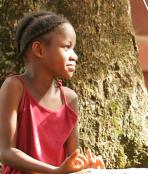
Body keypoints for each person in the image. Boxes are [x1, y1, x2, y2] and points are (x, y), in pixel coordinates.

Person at [0, 11, 105, 173]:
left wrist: (89, 168)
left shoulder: (69, 99)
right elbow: (6, 152)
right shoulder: (14, 87)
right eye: (66, 47)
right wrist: (54, 171)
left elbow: (72, 160)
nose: (75, 56)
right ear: (39, 50)